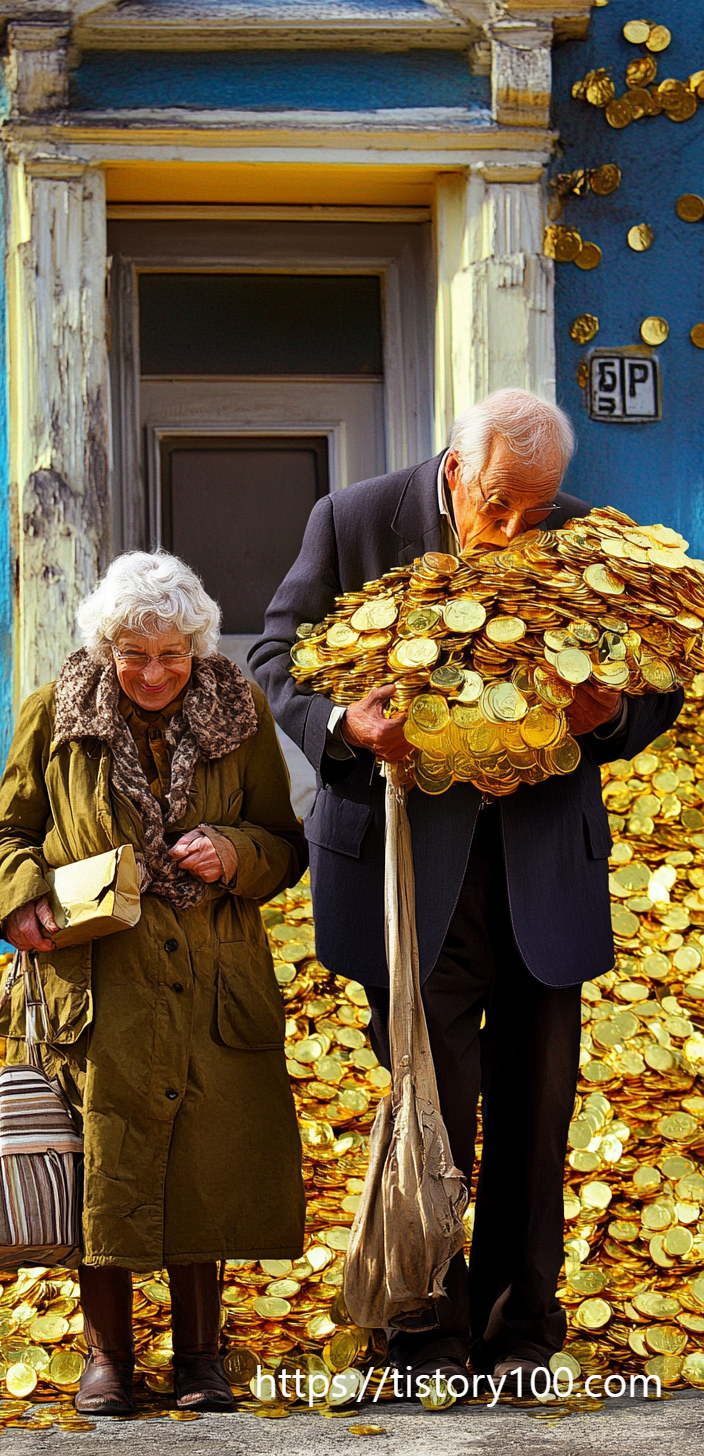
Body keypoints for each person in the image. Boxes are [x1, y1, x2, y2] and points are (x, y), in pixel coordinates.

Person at [249, 388, 683, 1391]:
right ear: (455, 467)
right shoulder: (353, 519)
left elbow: (659, 679)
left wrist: (609, 712)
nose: (516, 526)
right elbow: (277, 654)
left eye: (536, 505)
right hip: (406, 871)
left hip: (538, 864)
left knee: (538, 1108)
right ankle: (424, 1332)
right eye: (498, 501)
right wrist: (346, 729)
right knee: (430, 1104)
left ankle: (523, 1329)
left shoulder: (582, 539)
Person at [0, 551, 307, 1416]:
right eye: (134, 653)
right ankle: (107, 1358)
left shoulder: (240, 710)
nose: (154, 671)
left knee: (204, 1158)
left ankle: (202, 1357)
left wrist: (236, 851)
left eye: (171, 652)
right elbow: (7, 836)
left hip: (210, 978)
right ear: (105, 647)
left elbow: (284, 840)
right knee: (104, 1164)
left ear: (198, 644)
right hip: (97, 982)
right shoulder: (55, 714)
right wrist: (19, 902)